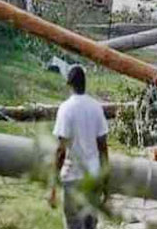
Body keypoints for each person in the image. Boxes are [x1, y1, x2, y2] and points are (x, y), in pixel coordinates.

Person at [49, 66, 109, 229]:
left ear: (69, 84)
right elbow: (103, 147)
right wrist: (106, 182)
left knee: (74, 225)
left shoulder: (66, 109)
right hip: (93, 176)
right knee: (90, 225)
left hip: (73, 177)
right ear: (84, 84)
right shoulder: (96, 107)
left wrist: (53, 186)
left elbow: (61, 150)